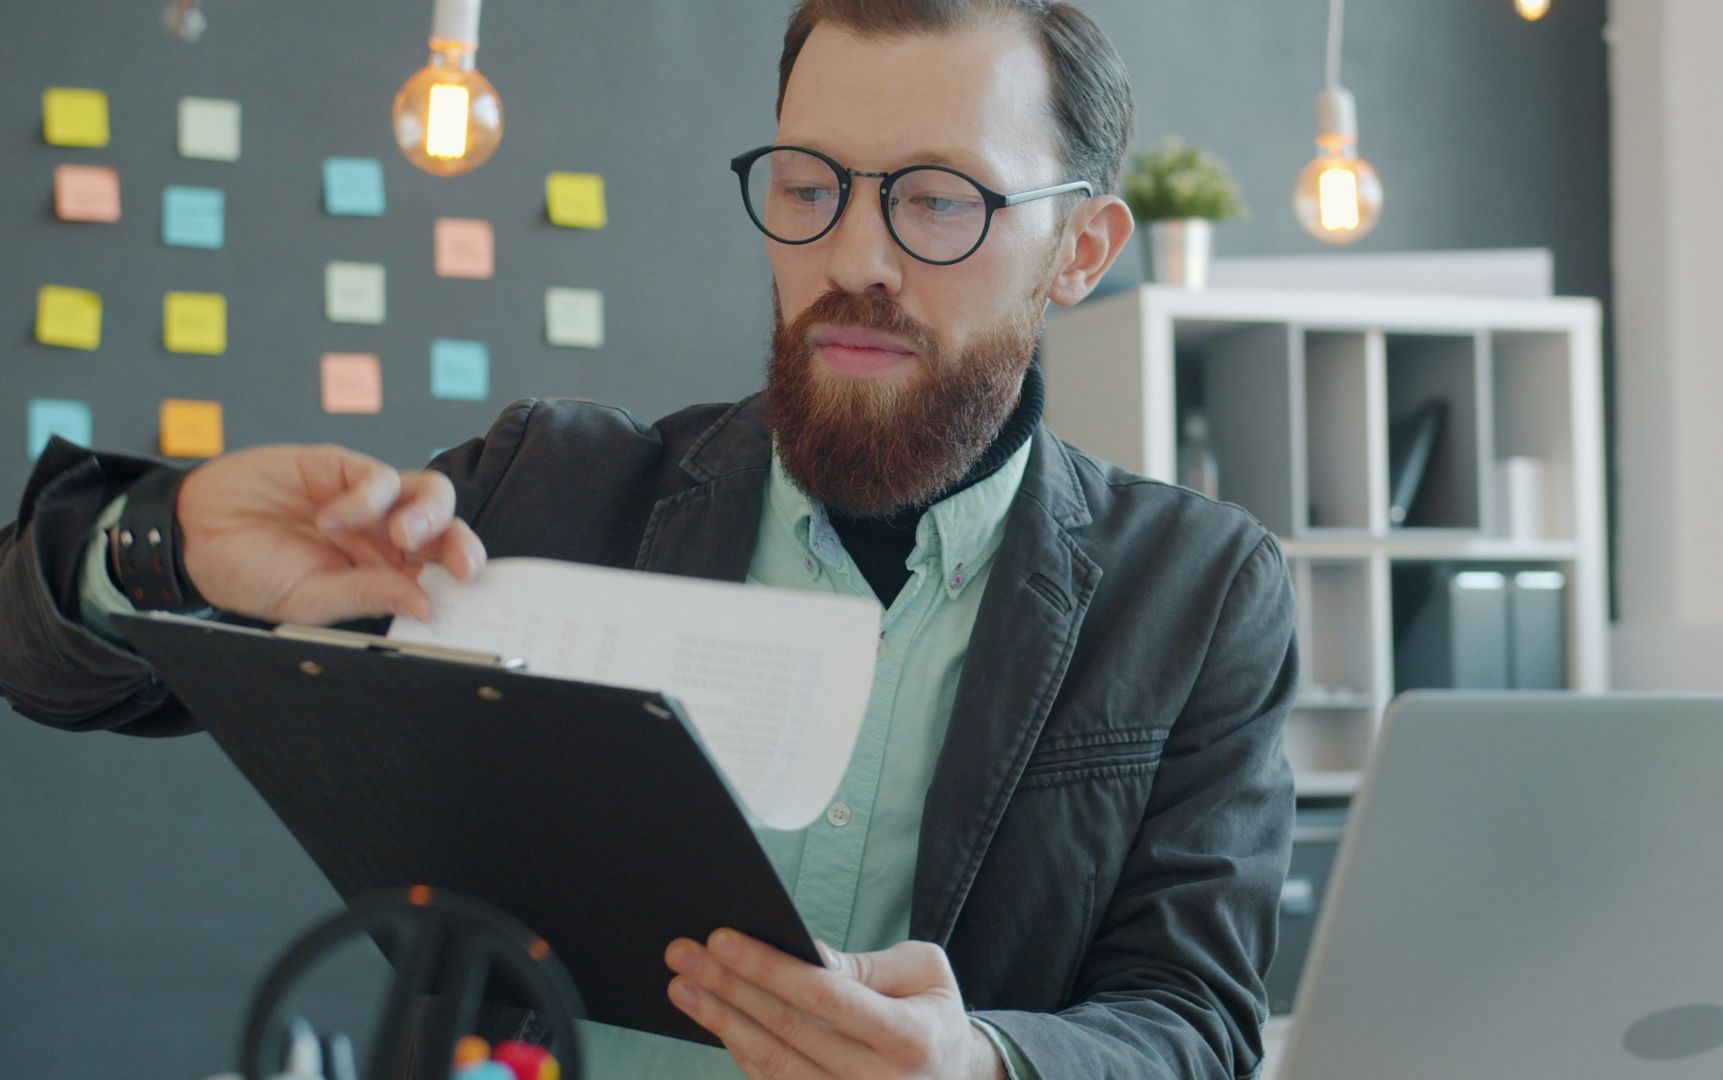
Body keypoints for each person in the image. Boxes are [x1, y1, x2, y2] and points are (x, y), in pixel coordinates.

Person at [0, 1, 1299, 1077]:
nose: (856, 256)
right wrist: (162, 545)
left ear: (1080, 249)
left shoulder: (1198, 595)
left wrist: (986, 1067)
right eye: (809, 184)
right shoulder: (545, 491)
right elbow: (46, 667)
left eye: (941, 201)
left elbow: (1193, 1024)